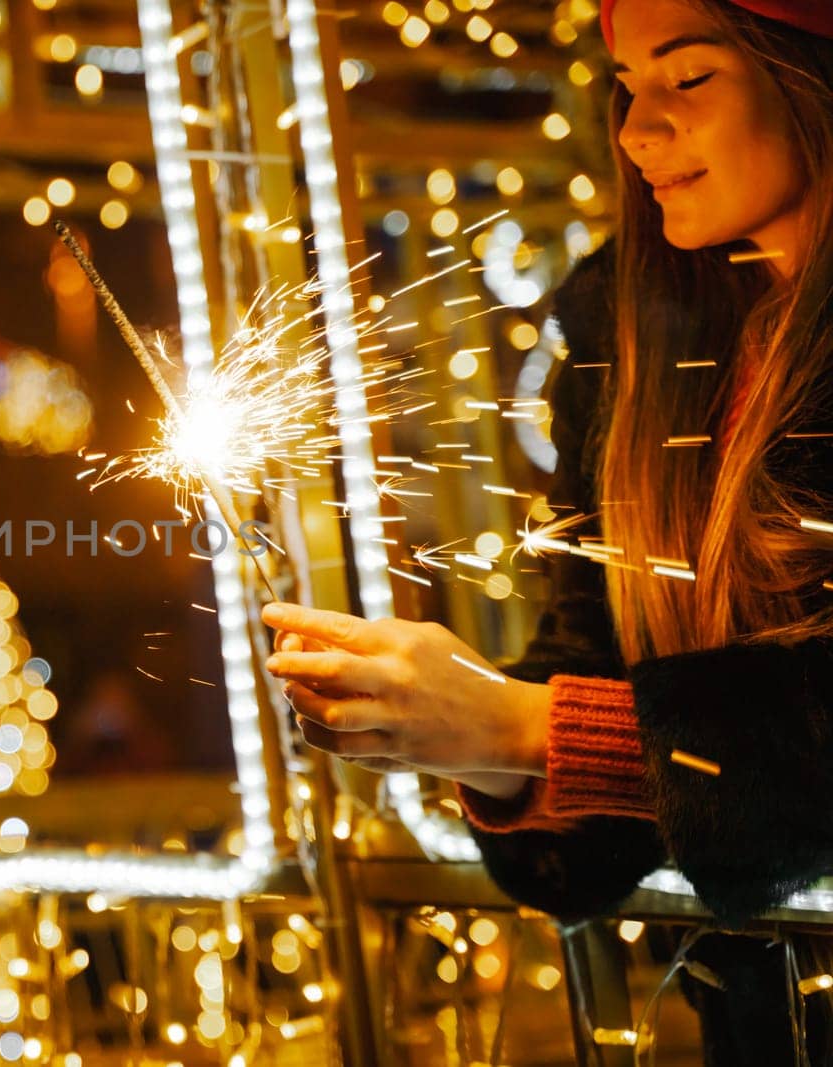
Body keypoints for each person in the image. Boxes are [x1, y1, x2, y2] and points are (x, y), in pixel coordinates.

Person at [262, 0, 833, 1059]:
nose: (636, 131)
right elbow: (593, 649)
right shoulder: (624, 332)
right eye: (626, 86)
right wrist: (480, 746)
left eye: (689, 78)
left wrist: (526, 727)